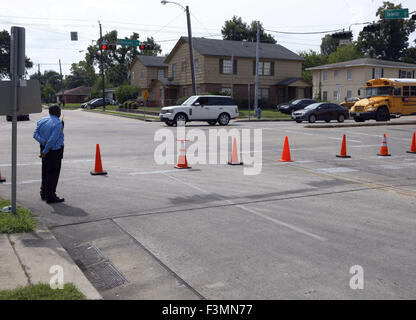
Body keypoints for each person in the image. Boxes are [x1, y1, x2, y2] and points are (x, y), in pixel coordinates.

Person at [33, 105, 65, 203]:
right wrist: (45, 150)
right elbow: (52, 140)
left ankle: (44, 193)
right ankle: (51, 196)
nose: (60, 113)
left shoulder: (42, 121)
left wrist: (43, 142)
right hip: (53, 151)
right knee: (53, 174)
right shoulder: (57, 123)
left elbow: (35, 134)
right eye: (59, 111)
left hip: (44, 148)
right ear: (56, 112)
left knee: (45, 171)